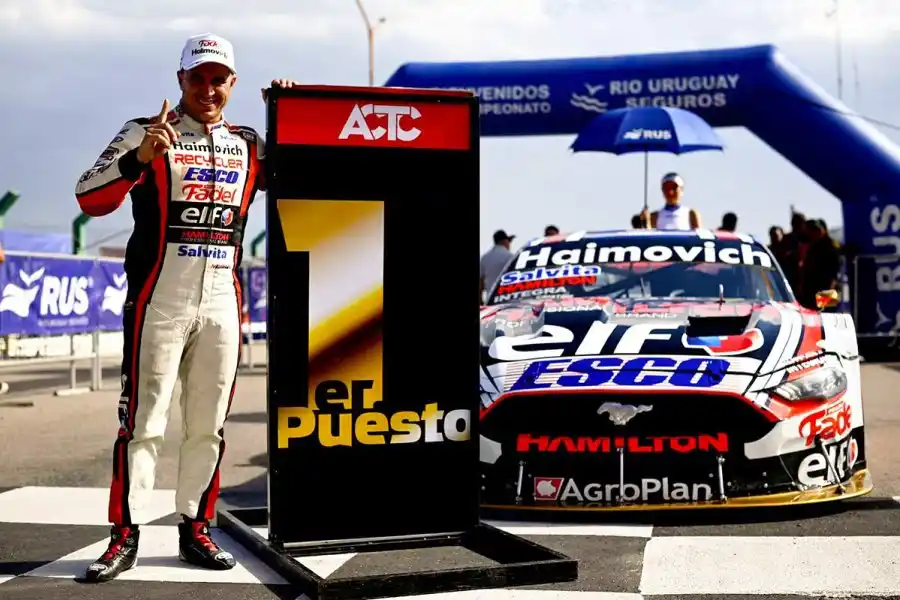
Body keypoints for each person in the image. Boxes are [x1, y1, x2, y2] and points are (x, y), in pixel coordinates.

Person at [74, 32, 301, 583]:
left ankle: (196, 528)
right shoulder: (145, 130)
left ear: (232, 84)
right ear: (180, 79)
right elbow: (88, 196)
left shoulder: (249, 143)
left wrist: (291, 113)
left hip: (222, 299)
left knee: (208, 426)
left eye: (218, 79)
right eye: (197, 78)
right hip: (159, 299)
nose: (207, 89)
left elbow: (303, 175)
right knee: (143, 424)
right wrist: (140, 158)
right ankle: (124, 535)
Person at [798, 219, 841, 309]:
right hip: (811, 291)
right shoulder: (813, 245)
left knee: (826, 314)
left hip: (826, 291)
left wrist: (828, 294)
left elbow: (834, 272)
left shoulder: (830, 246)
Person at [480, 230, 515, 301]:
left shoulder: (485, 258)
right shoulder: (510, 257)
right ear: (505, 241)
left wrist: (481, 301)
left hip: (491, 301)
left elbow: (480, 283)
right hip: (508, 299)